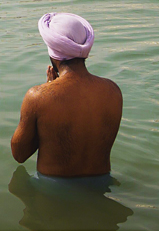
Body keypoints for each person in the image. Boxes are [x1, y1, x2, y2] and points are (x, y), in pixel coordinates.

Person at [11, 13, 122, 177]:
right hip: (102, 185)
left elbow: (19, 155)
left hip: (51, 191)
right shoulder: (113, 91)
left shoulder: (37, 97)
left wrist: (47, 92)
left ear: (53, 55)